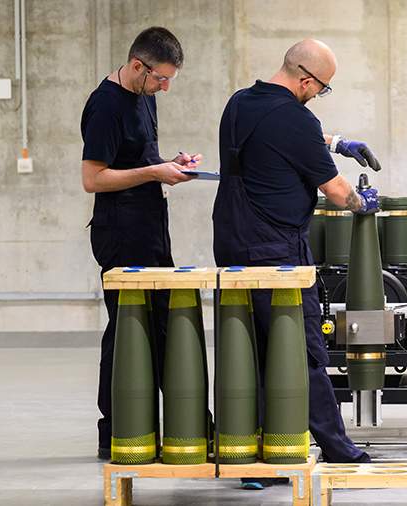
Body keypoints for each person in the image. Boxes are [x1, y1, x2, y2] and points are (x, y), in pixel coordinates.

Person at [212, 38, 380, 472]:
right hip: (275, 248)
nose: (319, 95)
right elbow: (338, 192)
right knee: (300, 350)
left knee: (250, 351)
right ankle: (339, 449)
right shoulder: (297, 118)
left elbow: (278, 133)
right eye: (322, 88)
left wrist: (336, 142)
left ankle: (256, 453)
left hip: (231, 241)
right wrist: (363, 203)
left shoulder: (239, 103)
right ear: (306, 80)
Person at [81, 26, 202, 460]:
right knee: (128, 328)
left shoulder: (144, 95)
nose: (165, 88)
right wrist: (154, 173)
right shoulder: (105, 106)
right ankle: (116, 430)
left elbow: (138, 158)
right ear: (137, 66)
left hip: (151, 228)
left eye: (170, 80)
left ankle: (179, 425)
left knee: (161, 324)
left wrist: (171, 165)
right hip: (120, 232)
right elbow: (93, 179)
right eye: (161, 79)